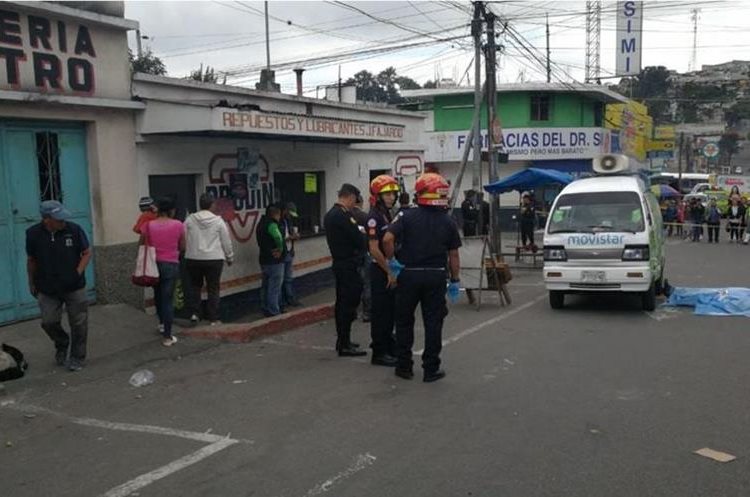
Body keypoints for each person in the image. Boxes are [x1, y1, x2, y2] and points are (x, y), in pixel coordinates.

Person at [383, 173, 462, 383]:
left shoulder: (406, 216)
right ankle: (431, 369)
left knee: (404, 321)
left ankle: (404, 366)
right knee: (433, 323)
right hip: (436, 276)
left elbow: (387, 238)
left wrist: (392, 261)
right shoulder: (448, 221)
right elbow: (454, 255)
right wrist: (455, 280)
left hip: (408, 274)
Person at [26, 200, 92, 371]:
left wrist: (77, 272)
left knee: (79, 323)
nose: (63, 221)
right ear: (46, 219)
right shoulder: (33, 234)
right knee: (48, 322)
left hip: (74, 286)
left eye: (63, 218)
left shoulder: (74, 230)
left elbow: (86, 252)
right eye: (58, 218)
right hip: (47, 287)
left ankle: (77, 357)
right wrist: (31, 281)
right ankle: (62, 342)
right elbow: (32, 259)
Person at [324, 184, 368, 357]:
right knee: (348, 304)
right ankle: (344, 343)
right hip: (348, 264)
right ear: (349, 197)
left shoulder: (331, 215)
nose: (354, 204)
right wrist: (364, 235)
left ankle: (343, 340)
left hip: (341, 263)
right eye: (354, 200)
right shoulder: (343, 216)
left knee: (343, 302)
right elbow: (359, 239)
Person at [366, 175, 401, 367]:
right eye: (386, 194)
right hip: (379, 269)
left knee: (389, 311)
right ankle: (379, 352)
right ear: (378, 195)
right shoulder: (374, 217)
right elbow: (374, 248)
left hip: (388, 267)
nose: (391, 197)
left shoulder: (386, 214)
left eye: (393, 194)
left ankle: (388, 345)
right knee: (381, 312)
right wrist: (388, 270)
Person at [184, 194, 234, 325]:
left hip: (193, 258)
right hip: (214, 259)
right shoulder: (218, 221)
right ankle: (213, 318)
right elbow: (226, 241)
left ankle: (195, 313)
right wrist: (229, 257)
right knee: (213, 288)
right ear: (212, 205)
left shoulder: (190, 219)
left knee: (195, 286)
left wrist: (186, 251)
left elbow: (183, 237)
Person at [141, 197, 185, 346]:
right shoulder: (178, 225)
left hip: (154, 264)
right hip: (171, 264)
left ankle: (161, 323)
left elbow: (142, 243)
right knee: (167, 299)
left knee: (158, 296)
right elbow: (183, 246)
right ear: (171, 210)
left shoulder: (148, 225)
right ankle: (167, 336)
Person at [256, 204, 286, 317]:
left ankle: (265, 308)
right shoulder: (272, 224)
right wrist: (281, 249)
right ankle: (274, 311)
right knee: (274, 287)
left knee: (265, 286)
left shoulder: (260, 224)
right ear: (276, 214)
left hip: (263, 259)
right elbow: (278, 237)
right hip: (274, 261)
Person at [351, 196, 371, 322]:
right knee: (367, 284)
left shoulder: (347, 216)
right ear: (361, 203)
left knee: (352, 284)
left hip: (351, 255)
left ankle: (352, 311)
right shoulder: (365, 217)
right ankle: (367, 312)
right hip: (364, 253)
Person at [280, 202, 302, 308]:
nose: (290, 216)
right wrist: (290, 238)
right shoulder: (279, 221)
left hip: (289, 251)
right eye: (289, 213)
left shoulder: (288, 221)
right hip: (282, 252)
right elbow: (279, 238)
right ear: (285, 211)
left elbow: (291, 233)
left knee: (288, 278)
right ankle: (282, 301)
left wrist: (293, 245)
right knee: (281, 279)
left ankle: (290, 298)